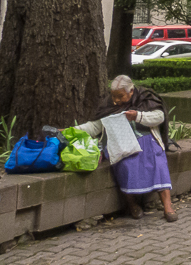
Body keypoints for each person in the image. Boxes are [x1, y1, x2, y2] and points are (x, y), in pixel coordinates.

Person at [76, 75, 178, 222]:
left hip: (148, 141)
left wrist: (138, 116)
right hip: (122, 143)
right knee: (124, 164)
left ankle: (168, 207)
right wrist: (71, 130)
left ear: (131, 91)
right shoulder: (109, 105)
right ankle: (132, 205)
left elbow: (159, 117)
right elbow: (95, 126)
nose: (116, 100)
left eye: (120, 96)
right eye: (113, 96)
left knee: (159, 163)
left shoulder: (145, 97)